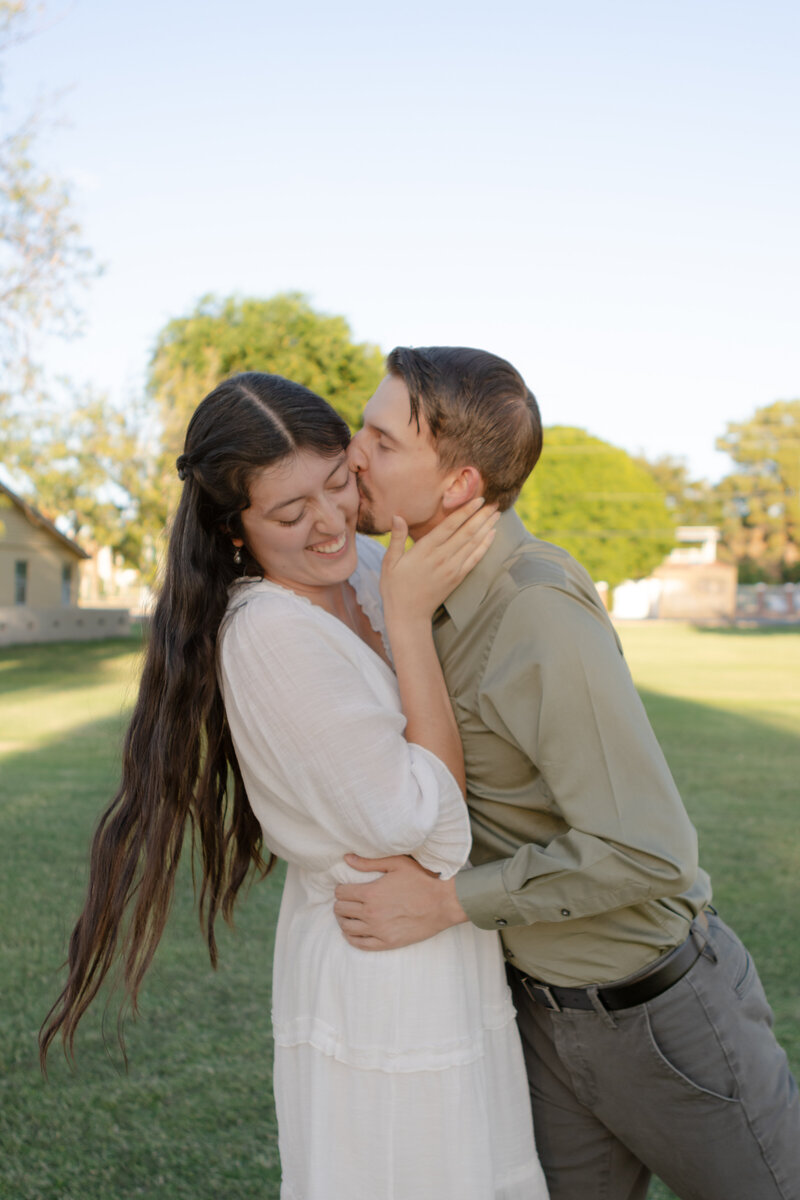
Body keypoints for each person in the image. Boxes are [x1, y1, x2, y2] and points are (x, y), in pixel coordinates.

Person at [39, 372, 548, 1200]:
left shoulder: (375, 567)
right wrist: (409, 621)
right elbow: (426, 826)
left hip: (447, 940)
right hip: (379, 962)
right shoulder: (269, 634)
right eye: (288, 513)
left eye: (338, 481)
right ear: (234, 528)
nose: (331, 522)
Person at [334, 345, 800, 1200]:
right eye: (362, 427)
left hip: (661, 1021)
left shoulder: (534, 608)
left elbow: (649, 850)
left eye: (383, 440)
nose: (352, 452)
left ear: (459, 486)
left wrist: (446, 903)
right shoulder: (415, 594)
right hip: (538, 1018)